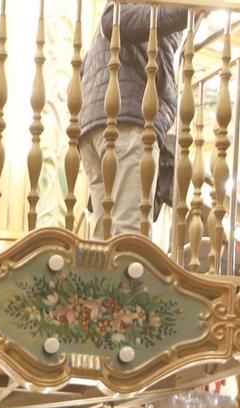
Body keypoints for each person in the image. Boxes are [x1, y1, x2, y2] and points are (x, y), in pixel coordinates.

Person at [75, 4, 190, 238]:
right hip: (126, 120)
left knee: (105, 236)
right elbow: (113, 19)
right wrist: (186, 12)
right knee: (129, 235)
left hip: (99, 121)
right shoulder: (145, 11)